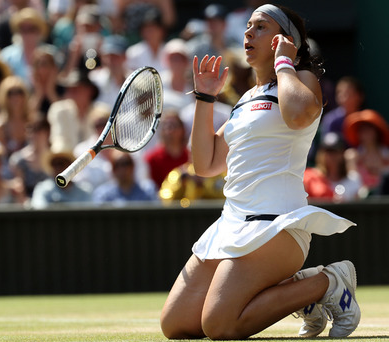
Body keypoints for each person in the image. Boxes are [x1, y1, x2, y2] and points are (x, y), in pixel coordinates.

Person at [160, 4, 360, 340]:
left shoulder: (303, 80)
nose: (248, 32)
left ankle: (328, 281)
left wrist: (285, 62)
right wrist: (205, 99)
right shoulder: (245, 99)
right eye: (248, 26)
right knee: (175, 325)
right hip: (231, 225)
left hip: (277, 226)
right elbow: (205, 163)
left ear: (283, 40)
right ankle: (295, 291)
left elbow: (298, 114)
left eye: (261, 27)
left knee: (219, 326)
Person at [343, 109, 389, 194]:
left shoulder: (388, 155)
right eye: (362, 130)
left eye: (369, 129)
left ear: (376, 132)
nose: (366, 133)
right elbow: (352, 181)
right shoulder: (352, 155)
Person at [30, 140, 92, 209]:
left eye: (61, 163)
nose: (58, 167)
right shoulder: (43, 189)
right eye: (54, 164)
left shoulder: (84, 191)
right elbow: (39, 211)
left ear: (70, 165)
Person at [304, 132, 363, 202]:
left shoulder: (353, 179)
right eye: (328, 151)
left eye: (335, 151)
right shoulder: (312, 177)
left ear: (342, 154)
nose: (331, 156)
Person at [92, 150, 157, 205]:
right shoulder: (103, 195)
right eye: (117, 165)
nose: (122, 169)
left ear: (133, 166)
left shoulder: (148, 190)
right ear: (113, 169)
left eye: (125, 163)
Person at [144, 109, 189, 188]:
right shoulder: (152, 159)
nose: (169, 131)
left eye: (173, 125)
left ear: (182, 130)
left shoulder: (191, 157)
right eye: (165, 126)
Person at [0, 75, 34, 157]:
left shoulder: (32, 122)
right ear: (3, 97)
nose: (15, 97)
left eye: (19, 92)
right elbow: (1, 155)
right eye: (10, 93)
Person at [8, 118, 50, 198]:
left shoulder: (55, 158)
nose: (35, 135)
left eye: (39, 131)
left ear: (47, 133)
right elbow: (20, 190)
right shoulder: (18, 160)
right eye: (31, 131)